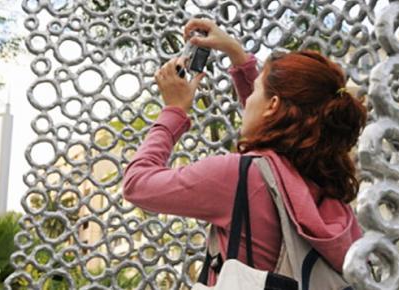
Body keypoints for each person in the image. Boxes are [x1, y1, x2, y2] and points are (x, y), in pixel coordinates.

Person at [122, 18, 367, 286]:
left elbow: (137, 184)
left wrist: (174, 111)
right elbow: (272, 134)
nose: (248, 100)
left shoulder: (237, 176)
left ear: (273, 105)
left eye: (256, 92)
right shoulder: (324, 188)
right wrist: (238, 57)